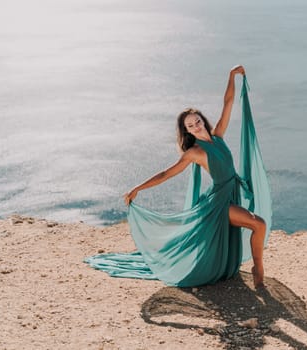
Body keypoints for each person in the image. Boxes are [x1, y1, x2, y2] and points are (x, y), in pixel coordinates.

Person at [85, 65, 272, 288]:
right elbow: (167, 173)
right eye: (190, 126)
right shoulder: (195, 152)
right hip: (219, 202)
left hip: (232, 193)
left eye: (197, 121)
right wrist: (138, 188)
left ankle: (253, 266)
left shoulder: (218, 136)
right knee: (258, 224)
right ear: (188, 131)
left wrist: (231, 76)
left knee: (256, 225)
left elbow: (228, 103)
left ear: (202, 120)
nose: (195, 126)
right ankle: (258, 268)